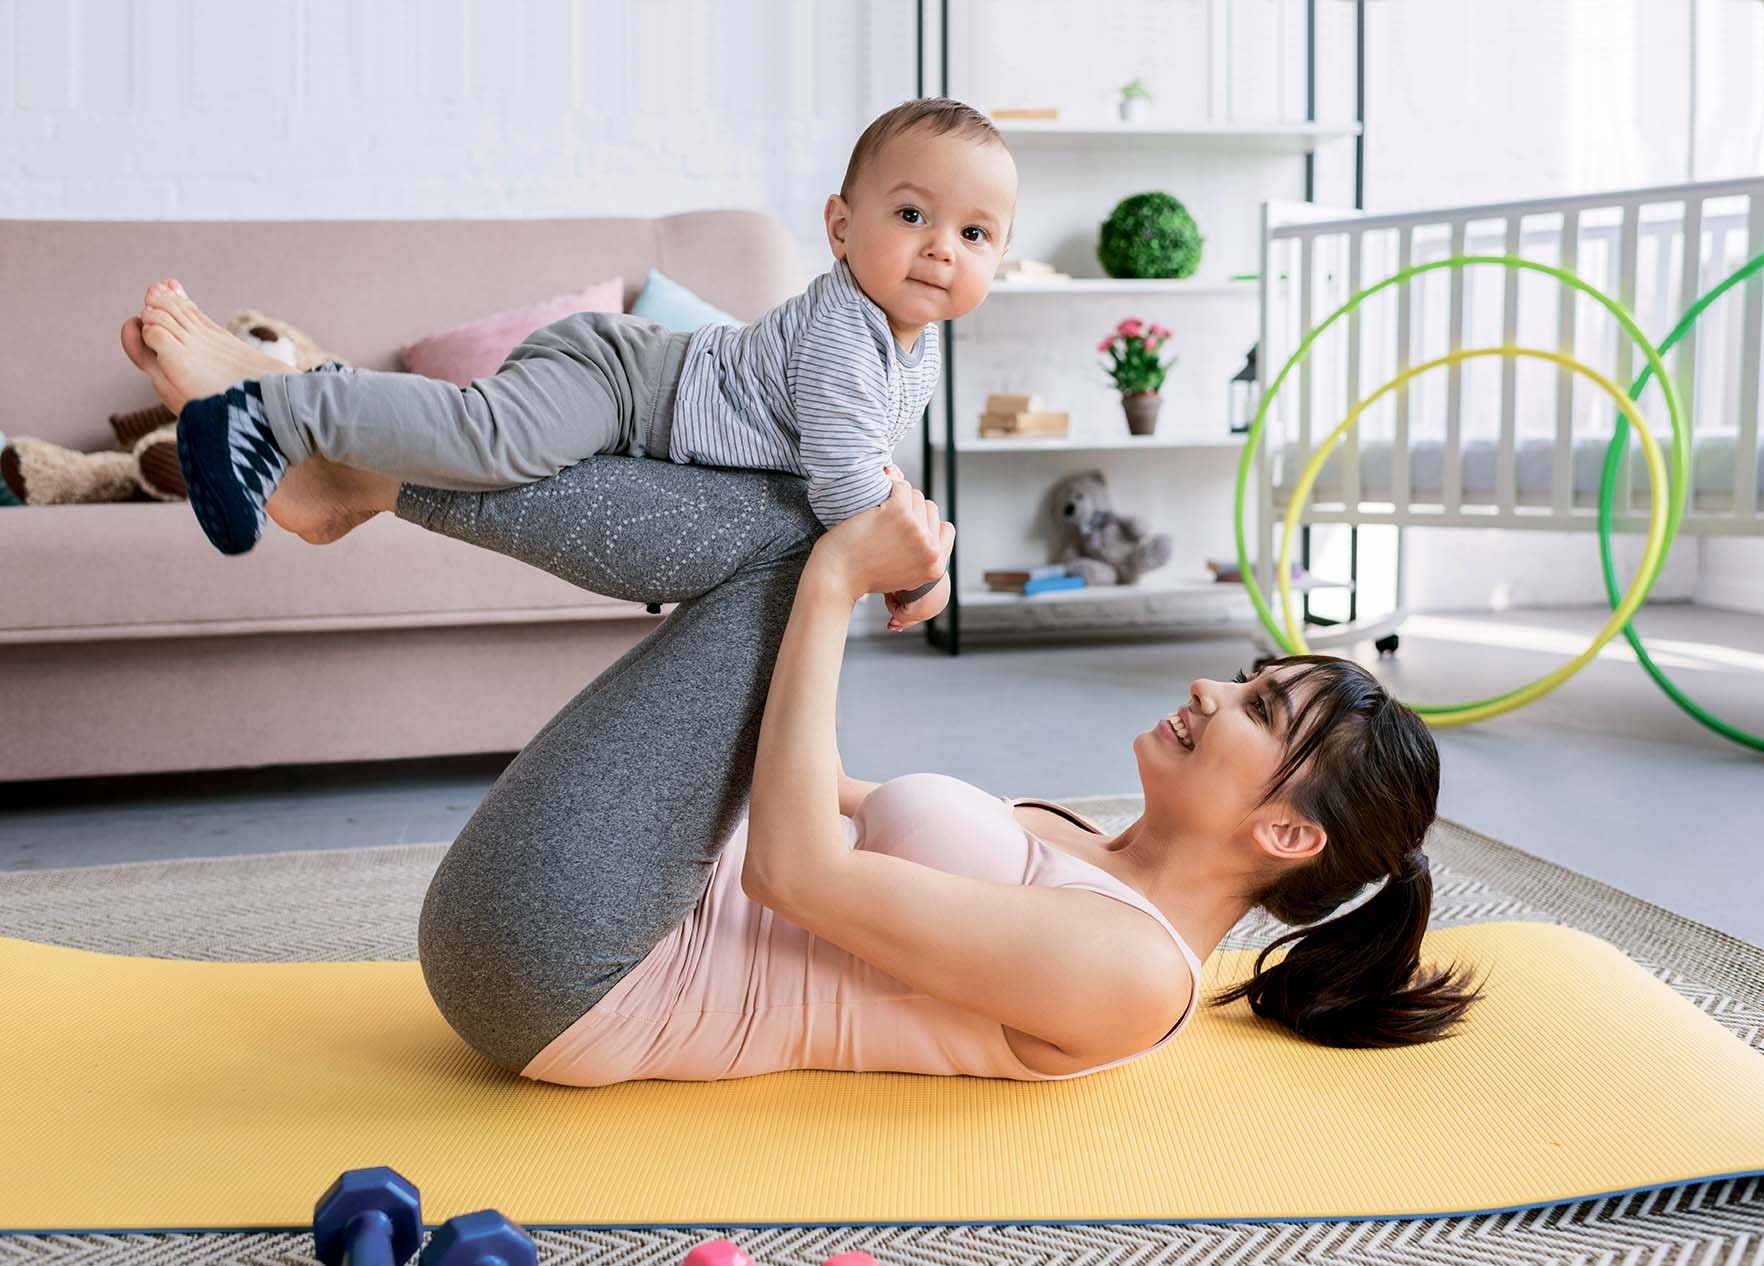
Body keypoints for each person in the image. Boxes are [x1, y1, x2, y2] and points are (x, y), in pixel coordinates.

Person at [123, 286, 1484, 1078]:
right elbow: (803, 777)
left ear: (1288, 833)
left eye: (1259, 710)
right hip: (586, 911)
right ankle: (354, 468)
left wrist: (835, 582)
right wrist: (845, 565)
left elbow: (790, 872)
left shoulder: (1135, 976)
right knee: (806, 506)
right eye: (1246, 678)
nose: (1210, 690)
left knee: (807, 531)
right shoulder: (1083, 843)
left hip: (574, 972)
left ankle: (352, 460)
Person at [129, 97, 1018, 633]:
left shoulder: (915, 349)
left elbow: (866, 460)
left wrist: (909, 533)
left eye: (975, 233)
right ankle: (272, 411)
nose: (942, 248)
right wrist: (920, 567)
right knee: (494, 440)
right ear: (840, 227)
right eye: (912, 215)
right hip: (623, 382)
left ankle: (331, 434)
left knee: (493, 448)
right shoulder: (844, 334)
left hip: (648, 403)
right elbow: (845, 479)